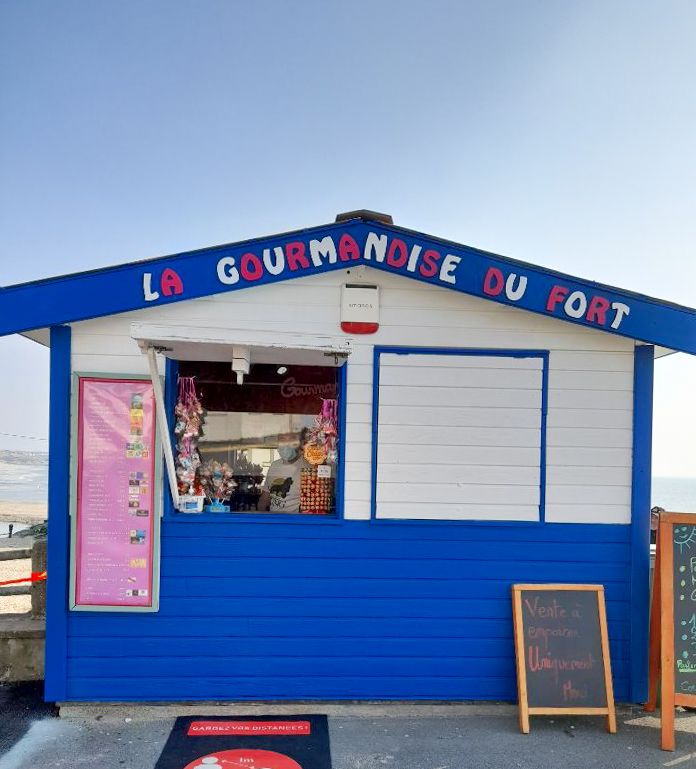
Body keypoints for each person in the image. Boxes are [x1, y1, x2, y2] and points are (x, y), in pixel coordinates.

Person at [257, 431, 309, 513]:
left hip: (294, 520)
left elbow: (310, 507)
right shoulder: (274, 465)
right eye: (282, 440)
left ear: (301, 443)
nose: (286, 444)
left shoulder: (308, 468)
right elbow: (264, 499)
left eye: (292, 439)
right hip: (273, 519)